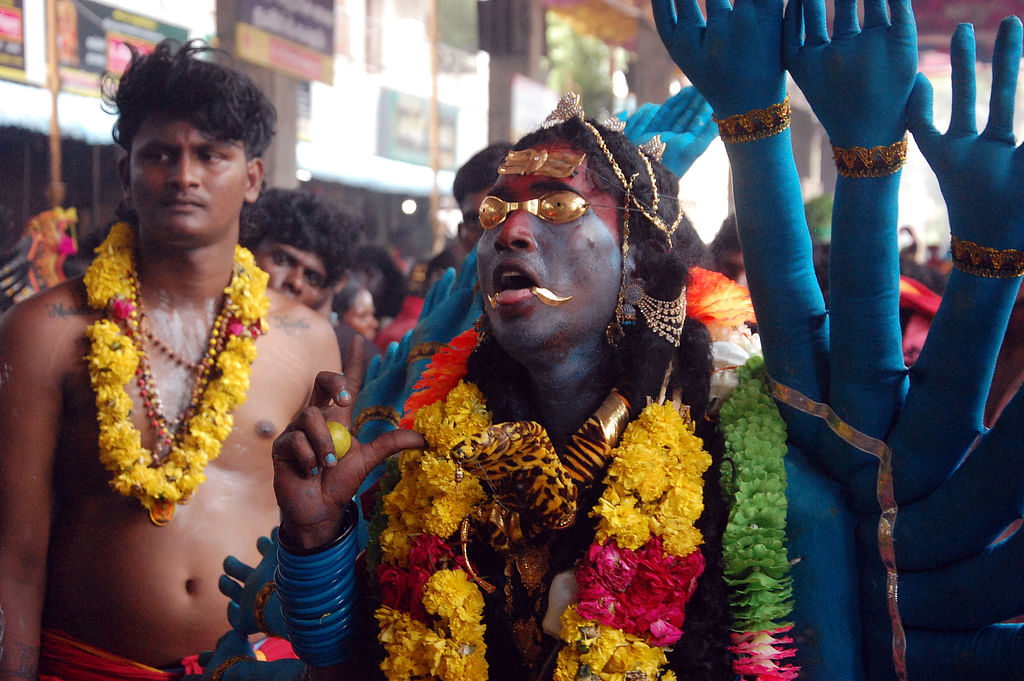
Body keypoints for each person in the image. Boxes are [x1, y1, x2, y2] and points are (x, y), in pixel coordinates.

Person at [210, 3, 1024, 680]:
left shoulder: (757, 481)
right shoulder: (435, 452)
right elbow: (356, 660)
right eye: (496, 212)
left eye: (558, 205)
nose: (510, 231)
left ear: (643, 266)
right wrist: (318, 537)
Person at [0, 40, 339, 679]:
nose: (184, 176)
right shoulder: (43, 330)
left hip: (258, 668)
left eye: (211, 155)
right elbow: (13, 555)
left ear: (254, 178)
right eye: (160, 154)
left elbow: (321, 538)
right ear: (127, 173)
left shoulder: (307, 338)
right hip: (84, 665)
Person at [244, 188, 380, 374]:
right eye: (282, 260)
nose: (296, 283)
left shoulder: (345, 352)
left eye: (313, 278)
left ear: (336, 284)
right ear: (251, 251)